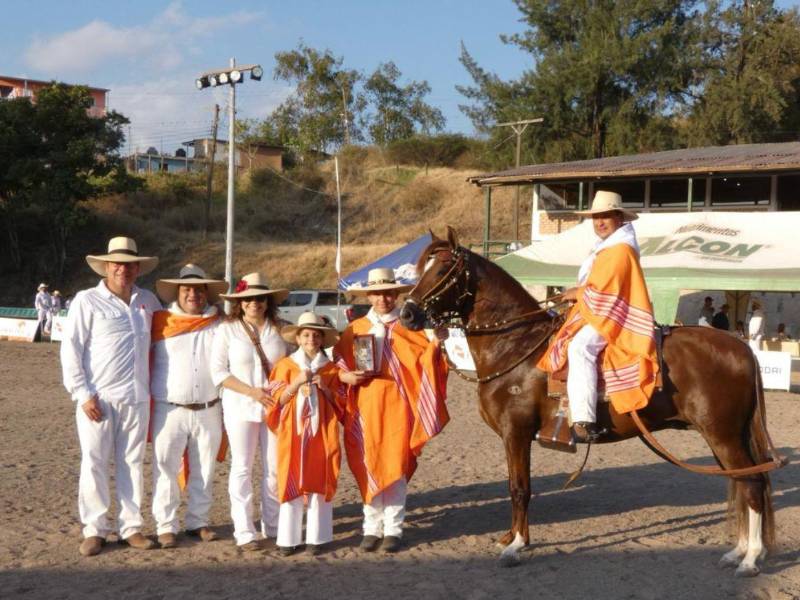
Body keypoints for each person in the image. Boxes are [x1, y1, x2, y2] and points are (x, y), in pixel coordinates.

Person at [334, 267, 449, 553]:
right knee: (368, 464)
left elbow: (426, 362)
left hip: (399, 406)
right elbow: (337, 365)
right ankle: (371, 529)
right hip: (365, 407)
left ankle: (393, 530)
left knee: (395, 467)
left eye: (388, 293)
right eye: (377, 294)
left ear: (396, 295)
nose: (383, 299)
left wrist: (436, 342)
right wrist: (346, 376)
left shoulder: (411, 328)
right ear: (369, 296)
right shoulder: (355, 329)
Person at [59, 237, 161, 557]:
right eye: (117, 263)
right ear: (106, 266)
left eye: (129, 264)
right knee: (95, 462)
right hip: (98, 398)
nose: (123, 269)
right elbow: (71, 348)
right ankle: (95, 529)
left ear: (137, 268)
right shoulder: (87, 300)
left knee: (132, 463)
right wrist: (82, 394)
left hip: (137, 396)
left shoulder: (149, 301)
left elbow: (162, 346)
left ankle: (131, 527)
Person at [538, 190, 659, 443]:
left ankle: (583, 419)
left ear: (619, 218)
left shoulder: (619, 250)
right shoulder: (608, 248)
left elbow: (606, 293)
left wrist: (578, 293)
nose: (599, 222)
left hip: (616, 316)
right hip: (602, 310)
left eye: (605, 216)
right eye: (595, 217)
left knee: (580, 347)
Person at [150, 264, 228, 549]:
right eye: (187, 290)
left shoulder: (220, 323)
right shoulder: (160, 321)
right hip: (169, 408)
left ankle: (198, 521)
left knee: (205, 469)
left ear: (207, 293)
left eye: (198, 290)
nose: (193, 294)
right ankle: (166, 525)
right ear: (178, 292)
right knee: (164, 468)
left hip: (209, 407)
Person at [210, 272, 289, 551]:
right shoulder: (227, 330)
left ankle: (274, 524)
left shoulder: (281, 330)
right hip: (240, 406)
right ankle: (244, 530)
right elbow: (218, 372)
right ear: (240, 303)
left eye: (259, 298)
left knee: (274, 469)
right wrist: (252, 392)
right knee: (242, 468)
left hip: (275, 408)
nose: (254, 303)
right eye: (248, 299)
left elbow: (294, 365)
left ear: (268, 302)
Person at [267, 312, 343, 556]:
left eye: (316, 335)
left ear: (322, 340)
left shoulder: (330, 369)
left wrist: (324, 388)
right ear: (298, 338)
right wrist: (296, 383)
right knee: (291, 476)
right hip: (294, 431)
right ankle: (288, 538)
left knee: (319, 477)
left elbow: (342, 403)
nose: (311, 339)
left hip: (322, 431)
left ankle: (317, 538)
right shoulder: (285, 365)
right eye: (306, 335)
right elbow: (275, 400)